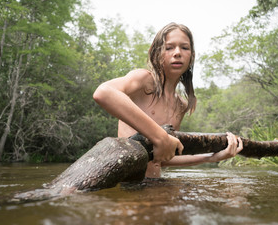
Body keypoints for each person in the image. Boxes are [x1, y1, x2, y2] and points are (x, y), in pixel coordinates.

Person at [93, 22, 243, 178]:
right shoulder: (144, 81)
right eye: (169, 47)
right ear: (156, 52)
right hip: (126, 185)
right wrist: (160, 136)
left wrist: (213, 157)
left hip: (156, 185)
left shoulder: (181, 105)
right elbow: (104, 92)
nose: (177, 52)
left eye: (184, 48)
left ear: (191, 56)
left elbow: (165, 157)